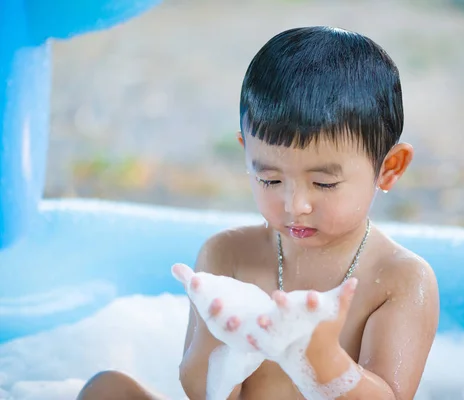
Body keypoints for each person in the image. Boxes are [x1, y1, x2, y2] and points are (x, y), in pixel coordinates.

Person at [77, 25, 439, 400]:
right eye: (269, 179)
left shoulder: (399, 279)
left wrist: (324, 359)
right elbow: (204, 393)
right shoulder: (228, 255)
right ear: (246, 152)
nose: (294, 205)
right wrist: (227, 349)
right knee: (106, 389)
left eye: (324, 184)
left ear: (389, 167)